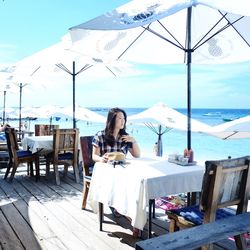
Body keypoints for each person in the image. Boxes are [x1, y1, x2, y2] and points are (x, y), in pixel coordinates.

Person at [92, 107, 141, 237]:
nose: (122, 121)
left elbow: (137, 155)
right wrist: (102, 158)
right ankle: (130, 217)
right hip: (106, 171)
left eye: (124, 118)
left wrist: (134, 141)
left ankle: (128, 213)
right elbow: (94, 156)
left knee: (134, 185)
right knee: (124, 186)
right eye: (119, 118)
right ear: (112, 120)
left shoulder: (125, 137)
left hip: (122, 171)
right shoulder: (100, 135)